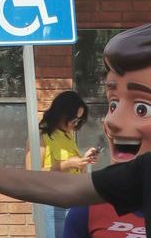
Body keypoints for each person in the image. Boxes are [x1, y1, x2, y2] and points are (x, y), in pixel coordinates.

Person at [0, 22, 151, 237]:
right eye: (113, 104)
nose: (113, 121)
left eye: (142, 109)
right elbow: (58, 186)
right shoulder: (141, 173)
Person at [37, 90, 99, 237]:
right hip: (52, 203)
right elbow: (32, 174)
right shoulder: (42, 136)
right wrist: (69, 163)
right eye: (73, 119)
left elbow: (72, 170)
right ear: (61, 113)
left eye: (79, 120)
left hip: (73, 200)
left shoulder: (68, 136)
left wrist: (83, 161)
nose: (75, 124)